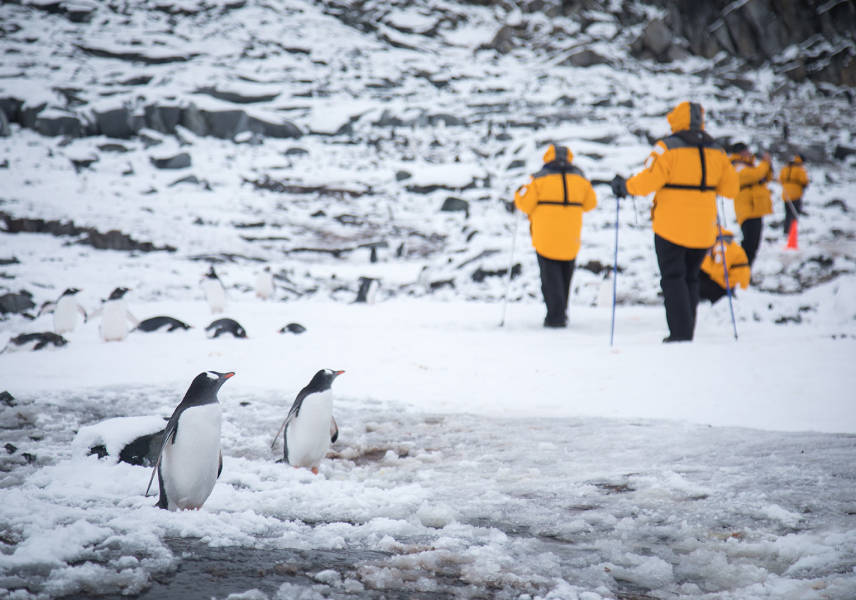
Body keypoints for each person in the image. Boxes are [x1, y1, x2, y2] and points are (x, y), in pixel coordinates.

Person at [610, 101, 739, 342]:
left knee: (672, 277)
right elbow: (731, 189)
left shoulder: (666, 149)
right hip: (704, 228)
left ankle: (680, 333)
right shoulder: (717, 151)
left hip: (671, 226)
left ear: (676, 120)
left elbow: (648, 181)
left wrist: (625, 187)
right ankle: (686, 329)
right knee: (691, 277)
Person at [513, 144, 597, 328]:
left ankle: (555, 317)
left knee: (550, 278)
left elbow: (524, 204)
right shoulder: (580, 178)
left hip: (546, 236)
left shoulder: (538, 178)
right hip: (571, 235)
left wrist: (519, 193)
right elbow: (591, 203)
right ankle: (561, 312)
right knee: (566, 275)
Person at [730, 142, 772, 265]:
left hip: (755, 208)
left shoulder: (749, 165)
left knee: (753, 243)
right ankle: (741, 268)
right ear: (740, 152)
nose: (749, 153)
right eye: (746, 151)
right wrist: (765, 163)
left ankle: (745, 270)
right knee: (749, 243)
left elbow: (765, 177)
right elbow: (755, 175)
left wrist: (768, 165)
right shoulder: (737, 166)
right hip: (747, 208)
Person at [699, 227, 751, 303]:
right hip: (729, 283)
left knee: (693, 283)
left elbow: (718, 271)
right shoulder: (723, 242)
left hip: (731, 286)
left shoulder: (722, 245)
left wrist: (701, 260)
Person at [778, 153, 809, 237]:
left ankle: (786, 231)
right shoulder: (800, 169)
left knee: (787, 214)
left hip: (785, 195)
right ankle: (792, 233)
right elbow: (804, 181)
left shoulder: (785, 168)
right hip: (796, 195)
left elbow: (780, 179)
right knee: (795, 214)